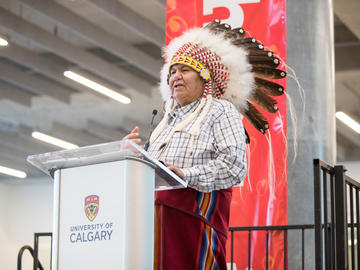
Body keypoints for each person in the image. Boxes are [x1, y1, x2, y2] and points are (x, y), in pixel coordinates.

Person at [124, 20, 286, 270]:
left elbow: (234, 166)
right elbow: (151, 173)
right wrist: (130, 157)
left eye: (185, 70)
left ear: (204, 77)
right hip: (153, 223)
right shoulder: (164, 123)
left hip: (196, 220)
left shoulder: (220, 111)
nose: (176, 76)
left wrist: (185, 175)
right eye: (173, 71)